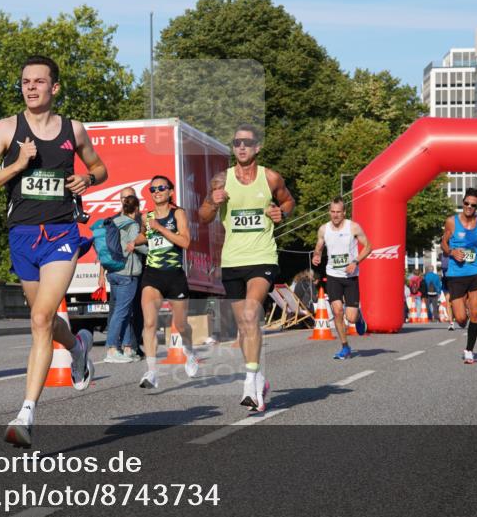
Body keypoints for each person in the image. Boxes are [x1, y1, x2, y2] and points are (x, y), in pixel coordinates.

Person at [0, 54, 107, 448]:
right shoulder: (6, 128)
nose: (30, 87)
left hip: (62, 232)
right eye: (26, 81)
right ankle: (78, 344)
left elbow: (101, 169)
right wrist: (16, 166)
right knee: (42, 320)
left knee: (42, 317)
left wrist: (86, 177)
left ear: (54, 87)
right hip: (22, 236)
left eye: (39, 81)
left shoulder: (73, 130)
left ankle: (26, 413)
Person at [198, 124, 295, 412]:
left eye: (246, 142)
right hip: (232, 261)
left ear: (257, 147)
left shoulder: (270, 177)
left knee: (252, 313)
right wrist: (213, 205)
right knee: (245, 326)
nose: (241, 147)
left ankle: (249, 385)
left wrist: (282, 213)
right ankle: (258, 377)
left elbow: (288, 200)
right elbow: (202, 216)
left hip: (263, 257)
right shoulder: (221, 180)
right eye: (236, 142)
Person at [134, 175, 198, 387]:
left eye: (161, 188)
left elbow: (185, 242)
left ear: (170, 191)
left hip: (174, 275)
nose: (157, 191)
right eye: (153, 189)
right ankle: (151, 371)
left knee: (180, 325)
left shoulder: (177, 213)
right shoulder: (146, 217)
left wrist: (160, 228)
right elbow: (146, 236)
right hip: (152, 274)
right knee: (150, 322)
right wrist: (132, 242)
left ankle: (189, 352)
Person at [311, 197, 372, 360]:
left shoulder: (353, 227)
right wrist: (316, 256)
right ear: (329, 211)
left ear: (344, 212)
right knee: (337, 311)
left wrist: (355, 261)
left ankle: (358, 316)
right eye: (332, 211)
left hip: (350, 276)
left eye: (338, 212)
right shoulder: (324, 229)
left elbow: (368, 247)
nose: (335, 215)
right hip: (333, 275)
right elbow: (318, 247)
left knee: (350, 317)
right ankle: (345, 347)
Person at [440, 187, 477, 364]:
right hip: (456, 274)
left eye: (473, 205)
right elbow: (443, 243)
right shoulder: (451, 222)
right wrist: (451, 252)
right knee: (462, 319)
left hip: (476, 271)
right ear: (462, 202)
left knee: (474, 312)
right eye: (466, 203)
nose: (469, 207)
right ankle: (459, 301)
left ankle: (469, 350)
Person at [98, 187, 146, 363]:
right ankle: (112, 349)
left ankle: (127, 348)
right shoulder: (132, 224)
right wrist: (150, 243)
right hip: (127, 273)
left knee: (122, 311)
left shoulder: (113, 221)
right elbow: (137, 245)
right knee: (122, 312)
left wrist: (102, 274)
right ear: (137, 209)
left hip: (114, 272)